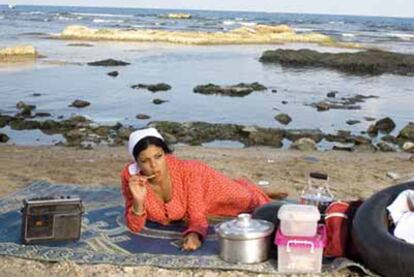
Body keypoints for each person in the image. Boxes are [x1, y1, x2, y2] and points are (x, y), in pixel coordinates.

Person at [121, 127, 287, 251]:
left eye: (159, 156)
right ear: (137, 162)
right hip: (198, 199)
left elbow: (197, 216)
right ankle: (251, 187)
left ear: (166, 154)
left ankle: (256, 190)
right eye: (145, 161)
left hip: (209, 184)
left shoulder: (189, 171)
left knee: (250, 201)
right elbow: (134, 226)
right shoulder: (132, 180)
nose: (154, 165)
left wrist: (194, 235)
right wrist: (138, 201)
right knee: (226, 203)